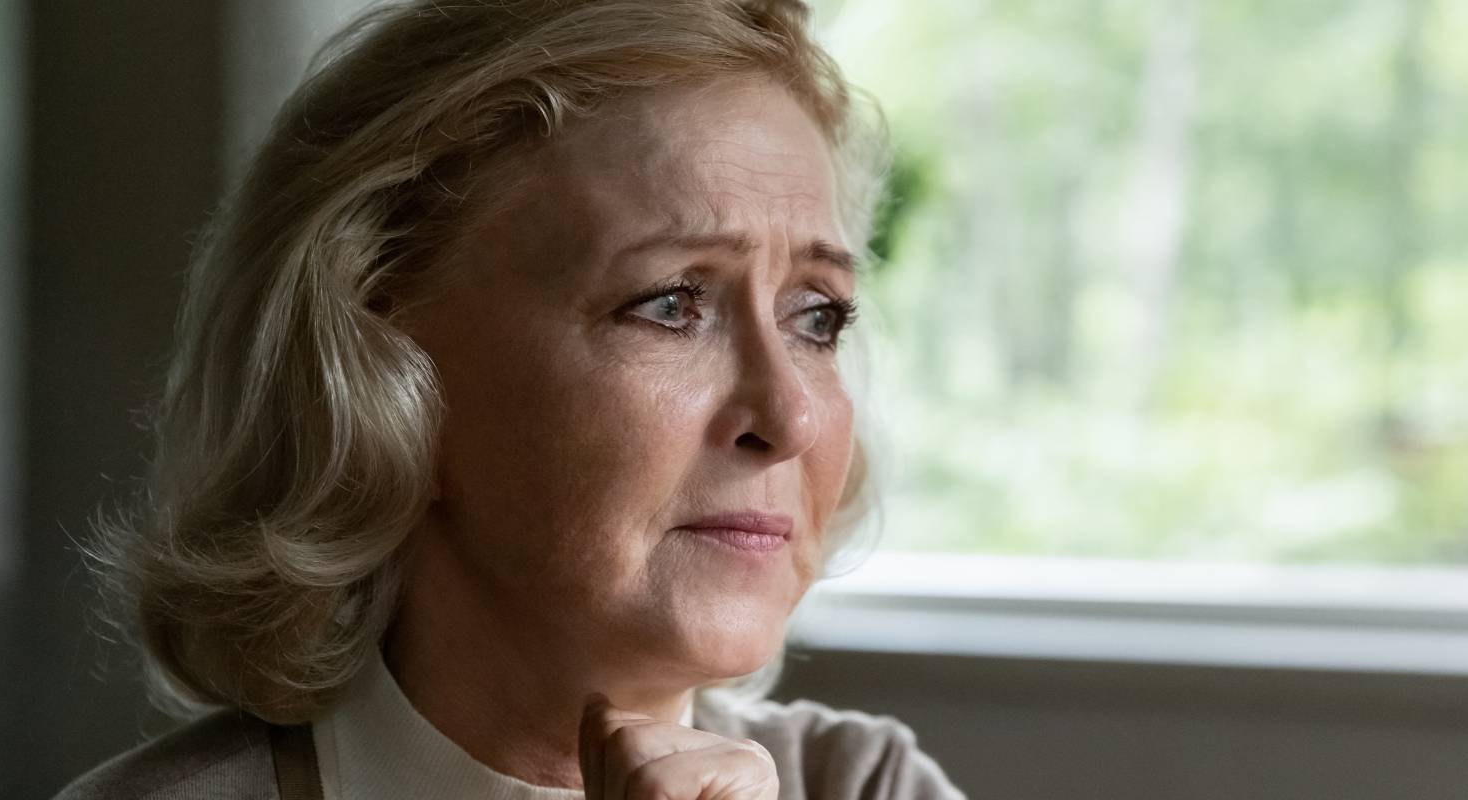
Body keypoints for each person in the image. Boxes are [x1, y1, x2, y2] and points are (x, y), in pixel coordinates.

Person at [53, 1, 965, 798]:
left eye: (818, 316)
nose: (791, 418)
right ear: (385, 365)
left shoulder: (867, 786)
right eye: (670, 305)